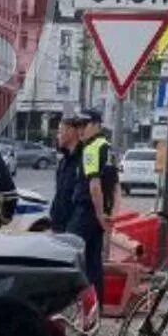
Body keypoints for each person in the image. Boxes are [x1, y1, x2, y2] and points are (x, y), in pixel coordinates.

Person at [66, 108, 115, 302]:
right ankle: (96, 306)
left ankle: (69, 304)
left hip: (87, 211)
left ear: (96, 124)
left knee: (67, 252)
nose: (80, 130)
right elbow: (114, 185)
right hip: (97, 214)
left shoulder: (91, 148)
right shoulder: (107, 147)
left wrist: (100, 214)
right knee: (93, 262)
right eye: (77, 125)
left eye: (83, 125)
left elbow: (95, 185)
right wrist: (106, 214)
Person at [49, 115, 84, 233]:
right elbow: (60, 193)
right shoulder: (64, 161)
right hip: (59, 225)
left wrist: (73, 226)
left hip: (75, 228)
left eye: (60, 131)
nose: (57, 136)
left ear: (71, 132)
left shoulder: (83, 160)